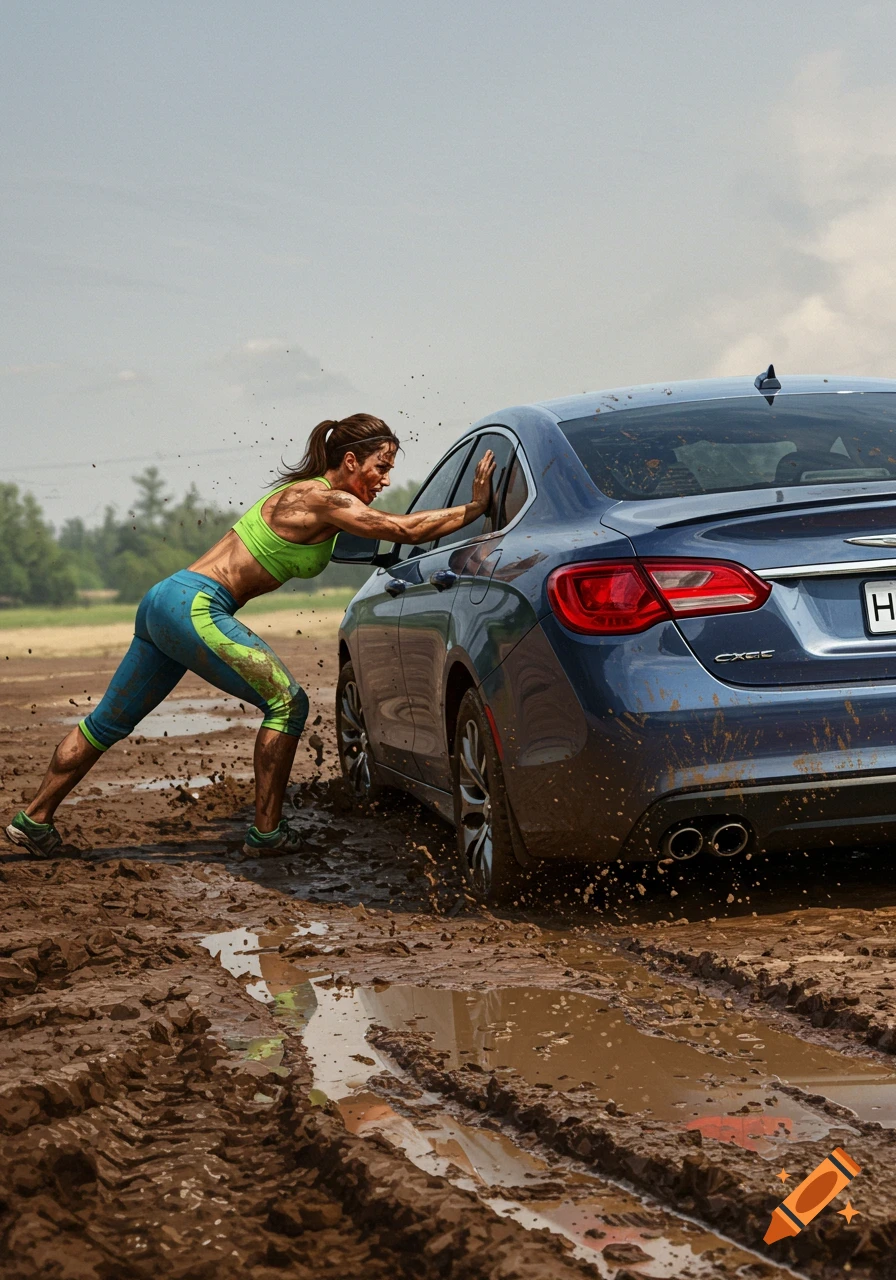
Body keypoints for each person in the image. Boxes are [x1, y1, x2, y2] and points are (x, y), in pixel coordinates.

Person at [6, 414, 495, 858]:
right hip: (196, 606)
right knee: (288, 703)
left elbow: (374, 538)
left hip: (164, 600)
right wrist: (475, 509)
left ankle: (34, 820)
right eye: (380, 466)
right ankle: (267, 834)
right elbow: (402, 529)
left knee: (107, 722)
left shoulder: (309, 498)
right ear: (350, 461)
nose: (386, 479)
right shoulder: (325, 498)